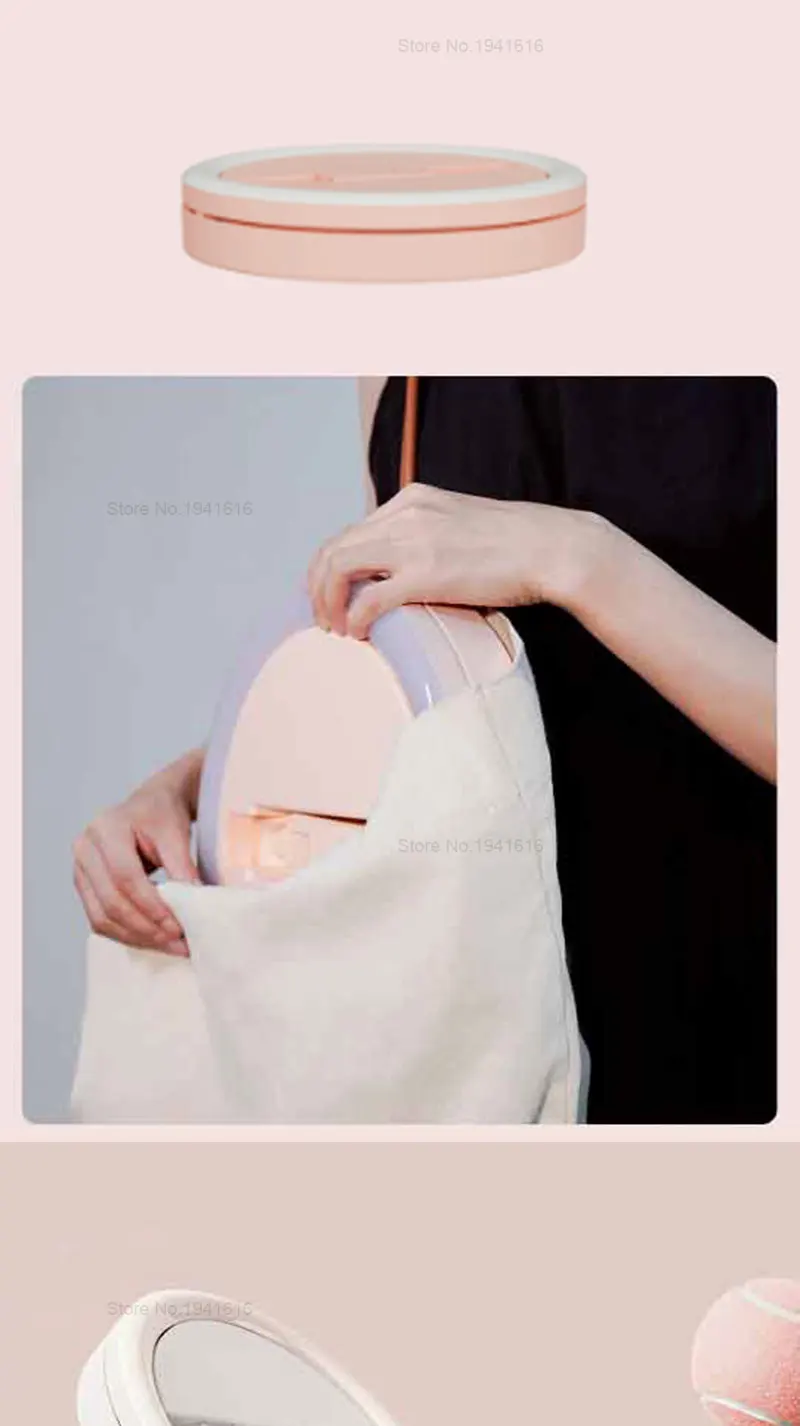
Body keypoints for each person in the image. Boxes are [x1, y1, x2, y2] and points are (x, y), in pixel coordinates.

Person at [73, 377, 777, 1125]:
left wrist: (576, 557)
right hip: (490, 1017)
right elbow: (409, 667)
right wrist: (196, 785)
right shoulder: (404, 360)